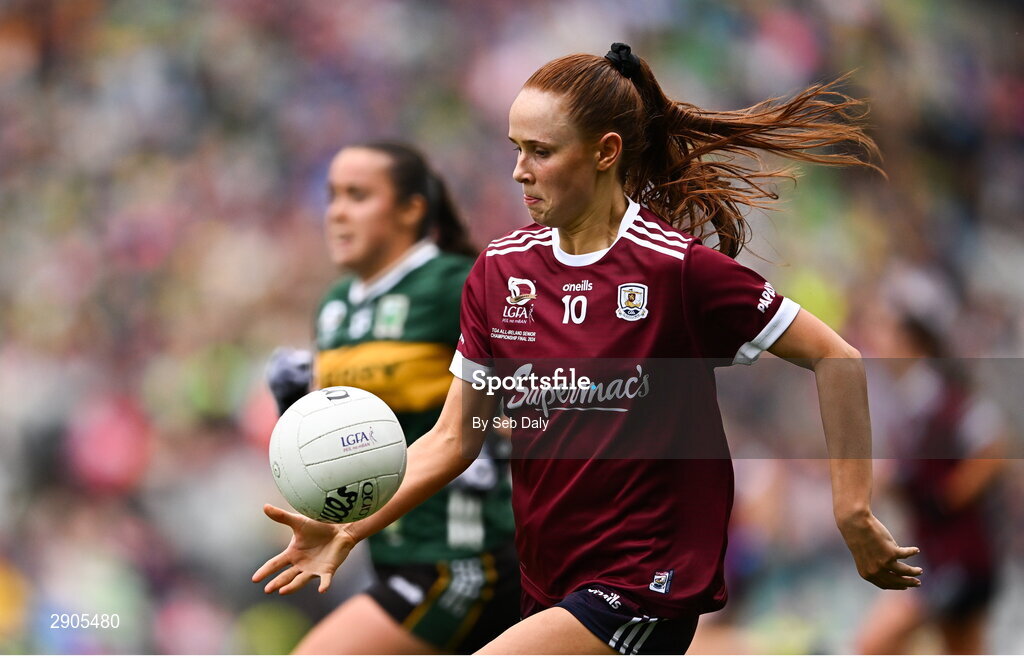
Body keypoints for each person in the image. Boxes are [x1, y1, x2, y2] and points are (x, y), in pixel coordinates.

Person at [255, 44, 923, 655]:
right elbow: (453, 438)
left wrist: (852, 510)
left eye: (541, 151)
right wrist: (353, 526)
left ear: (605, 152)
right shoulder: (499, 271)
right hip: (548, 581)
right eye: (515, 148)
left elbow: (837, 359)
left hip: (645, 580)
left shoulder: (674, 271)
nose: (519, 171)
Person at [264, 142, 519, 654]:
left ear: (410, 209)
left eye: (357, 195)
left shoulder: (455, 282)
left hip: (463, 557)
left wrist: (494, 437)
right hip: (388, 554)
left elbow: (539, 385)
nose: (335, 211)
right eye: (332, 194)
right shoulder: (335, 306)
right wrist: (296, 411)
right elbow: (348, 449)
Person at [855, 277, 1008, 654]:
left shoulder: (937, 394)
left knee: (875, 645)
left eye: (888, 330)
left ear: (913, 339)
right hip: (942, 553)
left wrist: (945, 496)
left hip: (957, 557)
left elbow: (993, 447)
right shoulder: (905, 397)